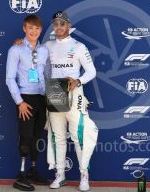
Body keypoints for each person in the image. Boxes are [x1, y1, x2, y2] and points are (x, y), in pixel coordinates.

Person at [46, 11, 98, 192]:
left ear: (69, 26)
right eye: (56, 24)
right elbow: (34, 60)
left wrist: (78, 81)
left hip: (74, 94)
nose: (59, 27)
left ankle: (84, 176)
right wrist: (20, 43)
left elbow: (92, 72)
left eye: (62, 23)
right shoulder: (47, 46)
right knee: (58, 137)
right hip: (54, 92)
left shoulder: (79, 46)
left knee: (79, 137)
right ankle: (60, 175)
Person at [6, 14, 49, 191]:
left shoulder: (45, 50)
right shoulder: (15, 49)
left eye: (37, 28)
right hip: (25, 98)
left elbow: (47, 75)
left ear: (41, 30)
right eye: (30, 28)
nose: (34, 31)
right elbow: (9, 78)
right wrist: (19, 102)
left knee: (38, 136)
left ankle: (32, 170)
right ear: (24, 28)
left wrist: (50, 97)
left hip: (42, 98)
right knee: (25, 136)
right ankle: (21, 175)